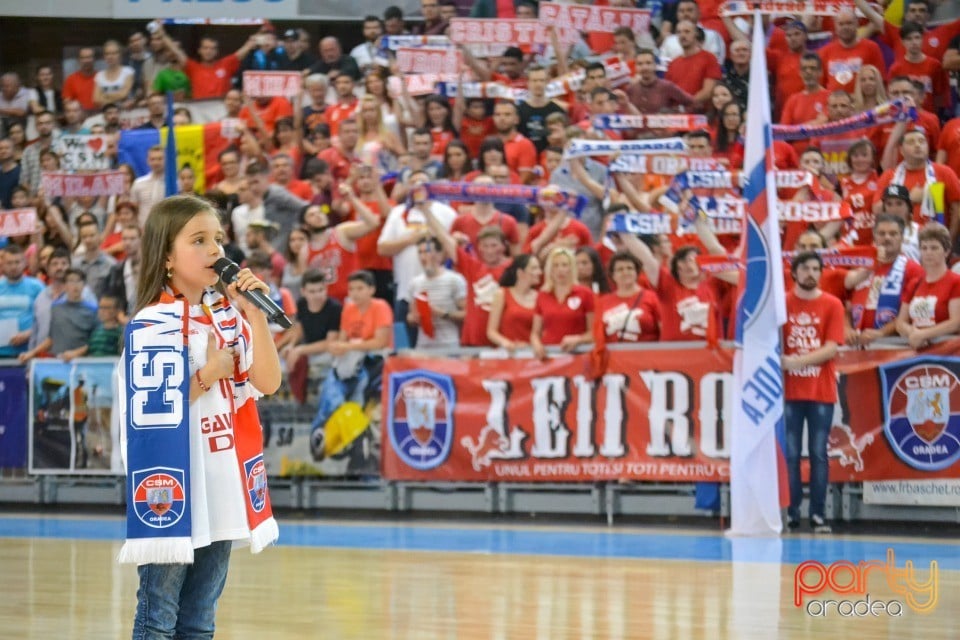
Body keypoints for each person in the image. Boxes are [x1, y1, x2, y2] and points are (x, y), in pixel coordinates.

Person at [116, 195, 280, 638]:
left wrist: (255, 316)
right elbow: (150, 408)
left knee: (200, 617)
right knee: (159, 613)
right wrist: (208, 374)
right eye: (200, 240)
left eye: (219, 240)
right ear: (167, 256)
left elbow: (268, 382)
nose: (216, 251)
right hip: (173, 488)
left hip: (221, 481)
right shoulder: (151, 323)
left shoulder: (228, 317)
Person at [782, 251, 845, 533]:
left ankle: (818, 513)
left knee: (818, 453)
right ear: (794, 272)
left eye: (816, 268)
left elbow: (832, 347)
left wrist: (795, 362)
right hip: (788, 392)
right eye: (805, 268)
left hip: (820, 390)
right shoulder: (781, 304)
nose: (811, 273)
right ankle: (793, 512)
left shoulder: (832, 304)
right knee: (792, 454)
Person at [310, 270, 392, 462]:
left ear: (372, 289)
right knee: (330, 382)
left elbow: (380, 342)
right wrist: (338, 347)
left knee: (360, 380)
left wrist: (348, 346)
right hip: (349, 360)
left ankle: (351, 425)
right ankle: (322, 427)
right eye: (352, 289)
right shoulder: (348, 309)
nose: (355, 293)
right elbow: (342, 339)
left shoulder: (381, 307)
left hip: (374, 361)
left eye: (360, 288)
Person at [895, 222, 960, 349]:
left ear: (946, 252)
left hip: (948, 352)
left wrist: (924, 334)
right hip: (918, 349)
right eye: (924, 248)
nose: (928, 252)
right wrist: (913, 333)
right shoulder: (914, 283)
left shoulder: (956, 281)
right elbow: (900, 322)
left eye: (934, 248)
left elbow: (956, 323)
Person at [18, 268, 97, 363]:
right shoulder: (56, 308)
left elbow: (95, 342)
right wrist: (31, 353)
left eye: (79, 281)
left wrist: (76, 353)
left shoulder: (93, 310)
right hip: (58, 362)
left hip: (83, 363)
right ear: (65, 285)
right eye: (71, 281)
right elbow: (51, 339)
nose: (75, 285)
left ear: (84, 285)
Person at [530, 247, 594, 359]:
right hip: (549, 356)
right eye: (556, 265)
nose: (560, 269)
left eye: (564, 265)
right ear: (550, 269)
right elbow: (535, 332)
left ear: (571, 268)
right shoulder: (543, 295)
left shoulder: (585, 294)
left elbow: (594, 332)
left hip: (577, 356)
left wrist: (579, 339)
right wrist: (536, 344)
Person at [406, 237, 467, 348]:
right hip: (423, 346)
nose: (423, 257)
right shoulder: (415, 283)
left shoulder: (454, 280)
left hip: (449, 345)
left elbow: (467, 314)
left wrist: (442, 313)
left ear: (439, 255)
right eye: (420, 252)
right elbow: (410, 315)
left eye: (427, 252)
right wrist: (413, 318)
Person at [596, 251, 660, 343]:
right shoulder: (602, 302)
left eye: (629, 268)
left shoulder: (652, 298)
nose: (625, 272)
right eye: (620, 269)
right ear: (613, 275)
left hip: (646, 354)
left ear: (637, 272)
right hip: (614, 356)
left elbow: (663, 330)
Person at [486, 254, 541, 351]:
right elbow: (491, 331)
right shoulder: (502, 294)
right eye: (534, 268)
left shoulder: (540, 297)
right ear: (520, 273)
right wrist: (507, 343)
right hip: (508, 354)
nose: (539, 272)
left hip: (532, 354)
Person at [0, 244, 45, 359]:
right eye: (9, 263)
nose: (14, 267)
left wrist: (28, 334)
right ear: (3, 264)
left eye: (17, 262)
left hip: (29, 351)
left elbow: (46, 320)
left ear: (25, 263)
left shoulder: (37, 287)